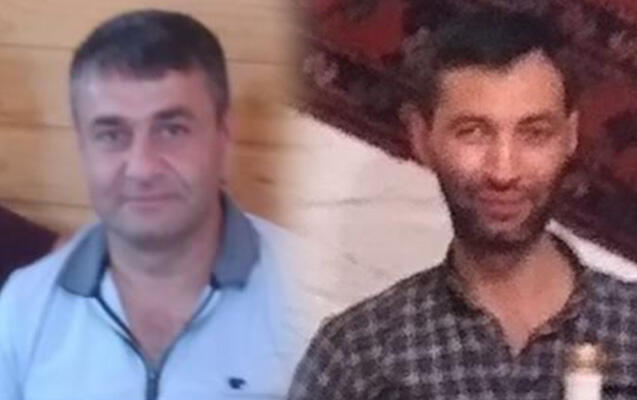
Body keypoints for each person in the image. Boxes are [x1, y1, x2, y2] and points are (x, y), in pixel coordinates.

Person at [288, 11, 637, 399]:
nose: (503, 171)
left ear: (570, 136)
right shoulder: (355, 357)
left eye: (534, 133)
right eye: (472, 132)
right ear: (422, 137)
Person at [0, 10, 305, 399]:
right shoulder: (26, 304)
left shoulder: (307, 291)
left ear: (224, 133)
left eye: (172, 129)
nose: (142, 168)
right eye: (111, 134)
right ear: (82, 145)